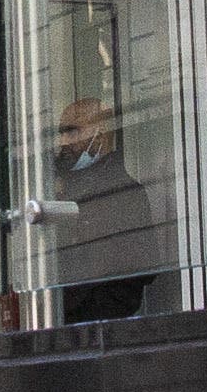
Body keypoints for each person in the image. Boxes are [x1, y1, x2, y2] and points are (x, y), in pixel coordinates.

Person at [52, 96, 166, 323]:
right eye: (61, 134)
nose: (63, 142)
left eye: (73, 133)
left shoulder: (122, 191)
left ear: (100, 134)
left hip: (102, 318)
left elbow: (142, 267)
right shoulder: (64, 191)